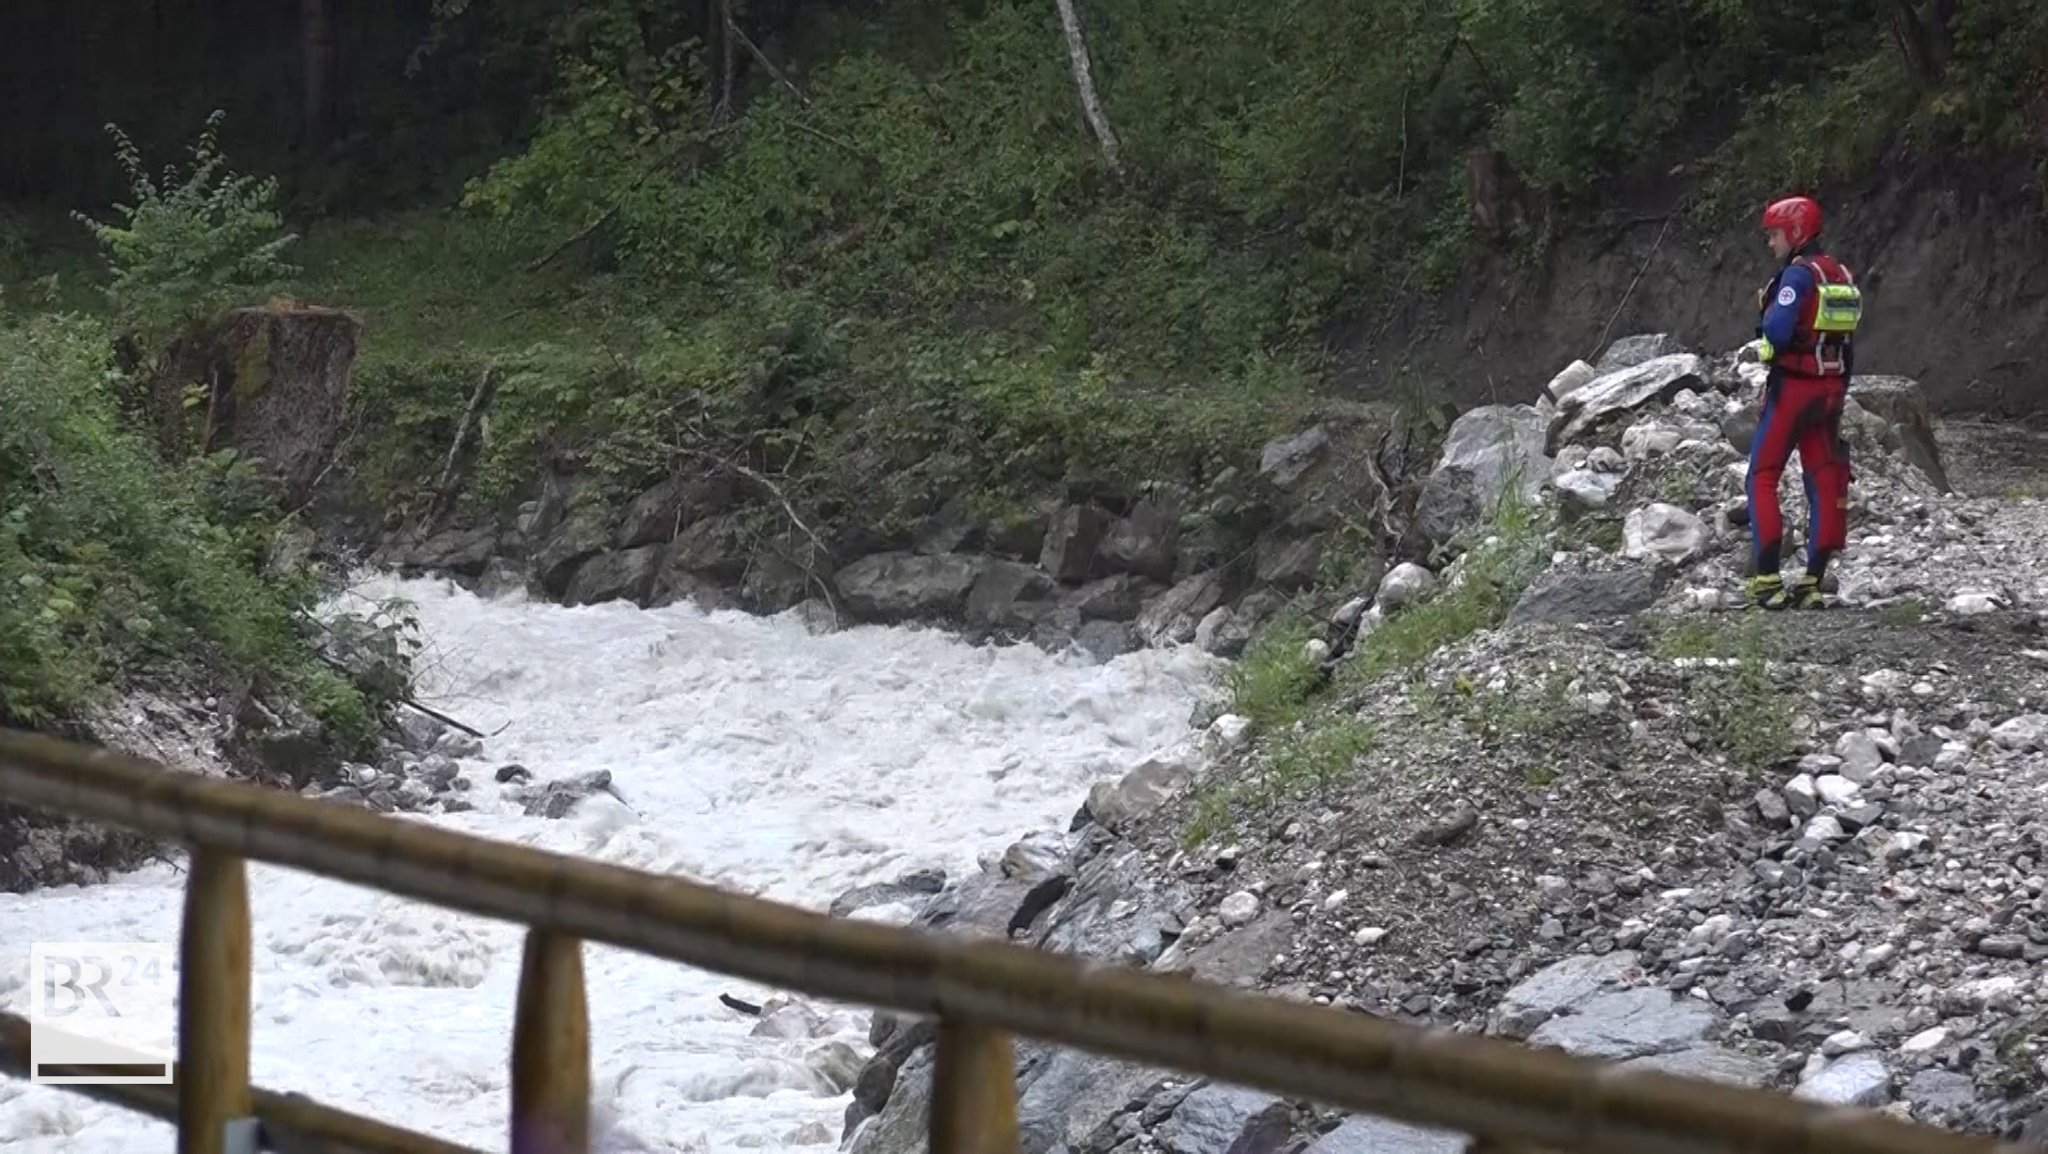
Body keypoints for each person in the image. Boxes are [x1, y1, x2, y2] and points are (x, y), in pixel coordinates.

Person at [1745, 194, 1861, 610]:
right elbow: (1847, 346)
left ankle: (1767, 581)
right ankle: (1812, 582)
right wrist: (1839, 391)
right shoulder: (1839, 274)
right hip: (1830, 392)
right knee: (1824, 480)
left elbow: (1775, 333)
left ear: (1794, 232)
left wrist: (1768, 313)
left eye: (1774, 233)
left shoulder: (1797, 277)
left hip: (1793, 390)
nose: (1770, 242)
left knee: (1761, 476)